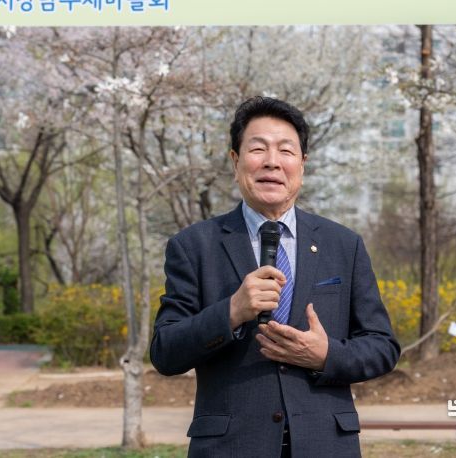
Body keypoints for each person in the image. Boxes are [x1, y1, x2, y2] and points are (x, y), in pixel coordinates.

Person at [150, 96, 400, 457]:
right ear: (235, 161)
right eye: (257, 149)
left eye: (286, 150)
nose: (272, 161)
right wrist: (232, 311)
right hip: (231, 447)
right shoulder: (194, 245)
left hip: (325, 445)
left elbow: (382, 347)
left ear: (302, 164)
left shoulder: (344, 245)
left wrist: (325, 355)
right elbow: (165, 352)